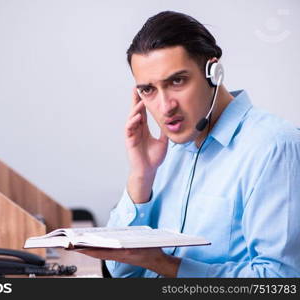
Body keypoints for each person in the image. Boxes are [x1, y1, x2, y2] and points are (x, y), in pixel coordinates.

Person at [76, 11, 300, 277]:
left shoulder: (274, 147)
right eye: (148, 90)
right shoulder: (163, 148)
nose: (165, 107)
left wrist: (163, 264)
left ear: (213, 72)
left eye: (177, 81)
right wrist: (141, 175)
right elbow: (120, 271)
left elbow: (280, 281)